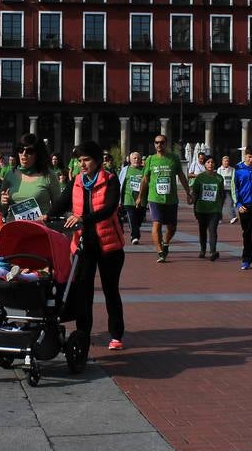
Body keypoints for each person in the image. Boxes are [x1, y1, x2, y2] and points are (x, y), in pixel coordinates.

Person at [56, 140, 125, 350]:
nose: (82, 164)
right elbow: (62, 202)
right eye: (79, 160)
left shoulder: (110, 180)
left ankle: (116, 334)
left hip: (108, 245)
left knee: (110, 290)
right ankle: (83, 333)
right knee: (83, 291)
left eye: (86, 160)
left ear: (96, 161)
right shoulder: (76, 181)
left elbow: (109, 208)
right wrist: (45, 216)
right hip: (83, 245)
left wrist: (83, 219)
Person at [136, 134, 193, 263]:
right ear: (154, 144)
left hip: (171, 199)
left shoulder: (173, 158)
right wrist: (140, 197)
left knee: (172, 227)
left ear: (166, 144)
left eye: (162, 142)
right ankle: (160, 252)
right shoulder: (150, 159)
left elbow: (182, 176)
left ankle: (166, 242)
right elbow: (145, 179)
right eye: (156, 142)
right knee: (156, 223)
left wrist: (188, 193)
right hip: (154, 198)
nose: (159, 145)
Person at [190, 155, 224, 260]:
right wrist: (193, 205)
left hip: (214, 210)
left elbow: (221, 194)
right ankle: (203, 250)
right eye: (208, 162)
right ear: (204, 164)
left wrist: (220, 209)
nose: (210, 164)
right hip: (201, 209)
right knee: (202, 230)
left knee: (213, 230)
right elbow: (195, 193)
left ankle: (213, 251)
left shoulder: (219, 178)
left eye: (212, 162)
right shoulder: (200, 177)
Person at [119, 151, 146, 244]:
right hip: (128, 198)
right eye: (134, 158)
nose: (136, 160)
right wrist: (119, 200)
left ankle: (135, 228)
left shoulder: (144, 170)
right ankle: (134, 236)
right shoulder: (125, 170)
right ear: (130, 160)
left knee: (139, 219)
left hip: (142, 199)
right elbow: (120, 183)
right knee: (131, 216)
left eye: (138, 158)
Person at [218, 154, 237, 223]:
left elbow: (234, 179)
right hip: (222, 189)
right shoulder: (219, 169)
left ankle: (233, 217)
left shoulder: (232, 169)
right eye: (225, 161)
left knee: (230, 203)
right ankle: (219, 218)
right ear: (222, 162)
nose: (226, 162)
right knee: (220, 204)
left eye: (227, 161)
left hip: (230, 189)